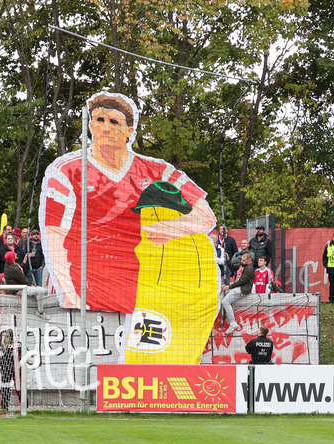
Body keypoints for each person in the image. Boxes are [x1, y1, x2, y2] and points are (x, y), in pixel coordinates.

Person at [39, 91, 217, 364]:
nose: (105, 127)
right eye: (98, 120)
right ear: (90, 125)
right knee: (93, 363)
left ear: (129, 131)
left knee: (145, 361)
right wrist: (70, 292)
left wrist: (168, 229)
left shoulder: (157, 171)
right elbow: (54, 235)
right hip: (90, 286)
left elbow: (205, 217)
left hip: (148, 286)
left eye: (114, 122)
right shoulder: (67, 171)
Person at [221, 252, 255, 334]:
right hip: (238, 287)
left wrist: (229, 287)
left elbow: (242, 281)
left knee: (225, 302)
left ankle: (233, 323)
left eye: (243, 260)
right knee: (223, 297)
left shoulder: (249, 269)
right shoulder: (243, 264)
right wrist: (228, 260)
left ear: (249, 260)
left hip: (242, 289)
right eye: (241, 260)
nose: (242, 261)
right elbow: (233, 267)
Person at [321, 232, 334, 302]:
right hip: (331, 268)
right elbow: (324, 257)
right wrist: (326, 265)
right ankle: (331, 299)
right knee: (332, 284)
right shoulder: (329, 245)